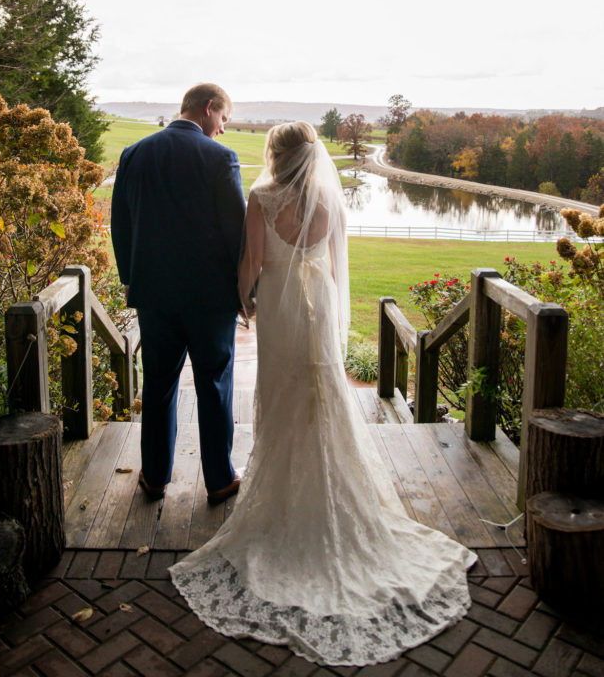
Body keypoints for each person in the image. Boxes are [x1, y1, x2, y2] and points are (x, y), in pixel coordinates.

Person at [170, 122, 477, 666]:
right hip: (320, 298)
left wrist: (244, 304)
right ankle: (331, 479)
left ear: (275, 154)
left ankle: (288, 489)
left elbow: (252, 263)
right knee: (323, 388)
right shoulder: (329, 198)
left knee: (285, 390)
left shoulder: (263, 197)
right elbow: (336, 263)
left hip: (284, 304)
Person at [111, 83, 246, 505]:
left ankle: (154, 478)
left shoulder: (134, 154)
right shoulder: (220, 158)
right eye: (223, 118)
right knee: (215, 386)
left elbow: (121, 223)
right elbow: (237, 233)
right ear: (208, 109)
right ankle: (220, 480)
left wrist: (131, 278)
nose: (223, 129)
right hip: (211, 300)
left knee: (158, 386)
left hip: (153, 295)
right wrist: (244, 292)